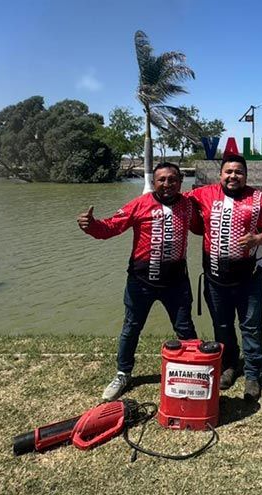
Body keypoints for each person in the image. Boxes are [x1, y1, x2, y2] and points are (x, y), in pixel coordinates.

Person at [77, 162, 198, 401]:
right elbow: (111, 227)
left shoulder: (188, 204)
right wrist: (91, 226)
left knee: (185, 328)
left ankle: (194, 371)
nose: (167, 184)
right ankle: (123, 373)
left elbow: (201, 227)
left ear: (180, 182)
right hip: (140, 282)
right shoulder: (139, 204)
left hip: (176, 282)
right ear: (154, 182)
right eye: (162, 179)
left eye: (172, 179)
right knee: (131, 328)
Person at [189, 154, 262, 401]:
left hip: (249, 279)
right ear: (220, 174)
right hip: (214, 279)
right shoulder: (202, 194)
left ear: (245, 176)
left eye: (238, 172)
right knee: (222, 326)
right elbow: (175, 203)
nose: (233, 176)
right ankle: (230, 365)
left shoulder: (260, 199)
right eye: (228, 171)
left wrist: (259, 238)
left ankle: (252, 374)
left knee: (251, 327)